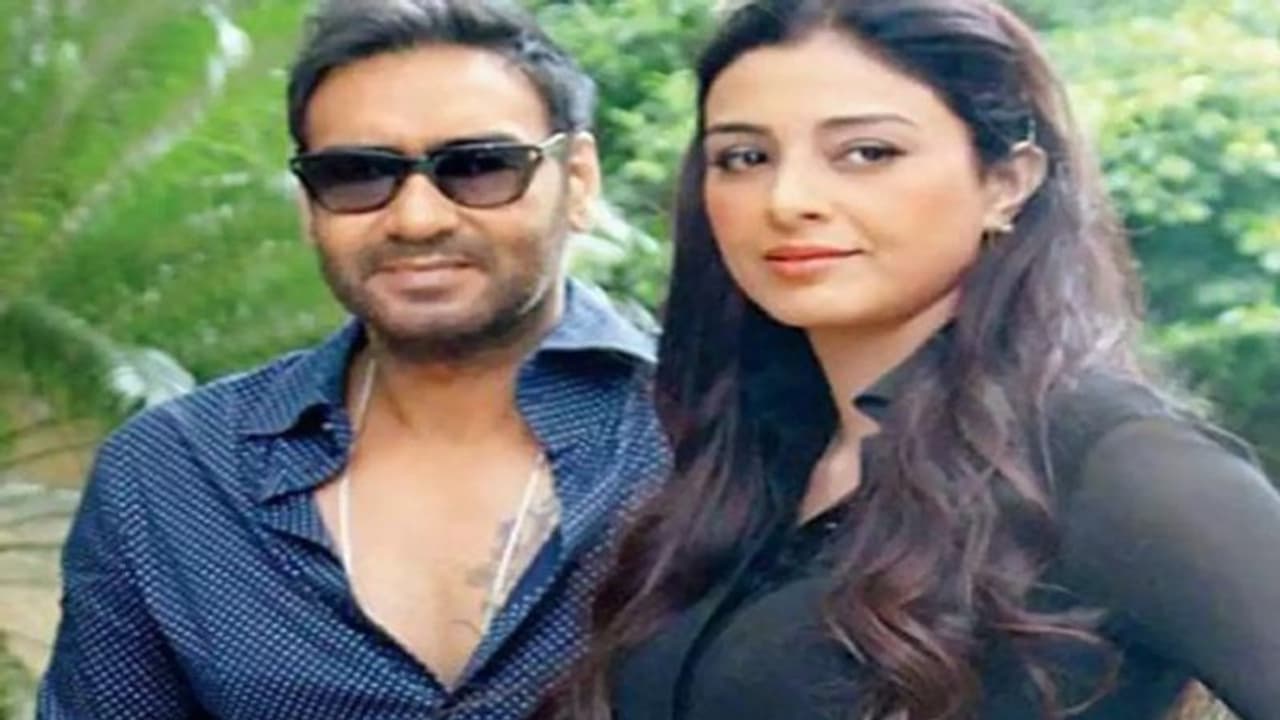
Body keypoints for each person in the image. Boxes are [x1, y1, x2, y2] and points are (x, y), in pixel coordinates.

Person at [541, 1, 1280, 719]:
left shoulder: (1109, 462)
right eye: (745, 157)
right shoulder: (749, 461)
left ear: (1007, 182)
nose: (787, 199)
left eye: (867, 153)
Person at [37, 1, 666, 718]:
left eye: (479, 168)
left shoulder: (712, 436)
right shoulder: (175, 476)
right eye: (358, 174)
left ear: (578, 180)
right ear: (309, 203)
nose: (417, 219)